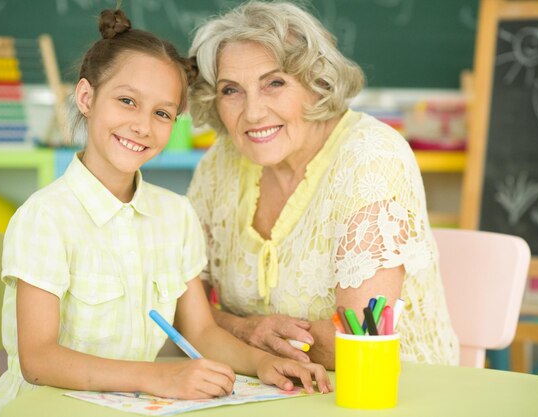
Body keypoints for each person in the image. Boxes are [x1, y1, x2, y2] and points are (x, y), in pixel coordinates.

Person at [0, 8, 331, 416]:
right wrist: (160, 378)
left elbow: (200, 330)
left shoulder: (174, 215)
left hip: (129, 407)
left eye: (162, 113)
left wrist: (262, 363)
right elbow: (39, 361)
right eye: (127, 101)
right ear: (86, 98)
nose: (142, 126)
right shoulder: (45, 218)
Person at [186, 0, 459, 370]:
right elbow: (180, 309)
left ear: (317, 83)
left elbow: (357, 344)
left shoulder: (370, 159)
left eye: (275, 83)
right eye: (230, 90)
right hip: (263, 387)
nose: (252, 112)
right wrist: (245, 329)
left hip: (387, 391)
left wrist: (218, 329)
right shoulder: (219, 164)